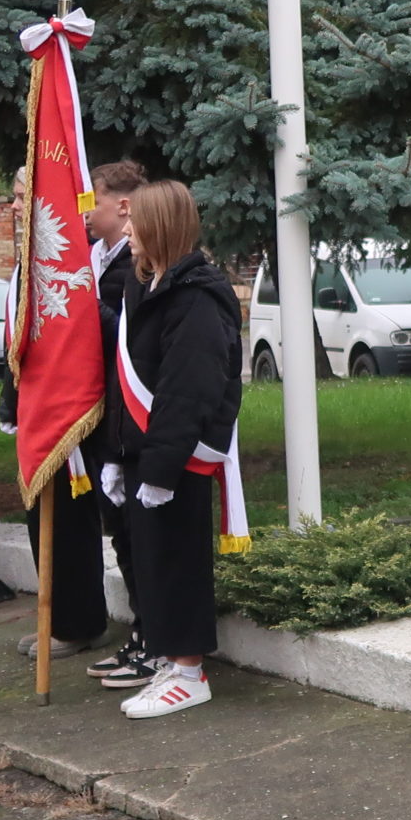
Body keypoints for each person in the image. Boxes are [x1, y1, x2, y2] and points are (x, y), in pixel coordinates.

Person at [101, 180, 243, 719]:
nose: (127, 229)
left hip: (178, 457)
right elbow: (130, 380)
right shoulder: (148, 286)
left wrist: (161, 470)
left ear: (160, 226)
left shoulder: (196, 296)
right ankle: (170, 661)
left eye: (135, 220)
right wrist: (117, 454)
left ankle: (189, 673)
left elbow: (189, 390)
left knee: (178, 561)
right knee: (152, 561)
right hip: (146, 451)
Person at [1, 161, 147, 661]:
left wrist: (76, 292)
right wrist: (12, 401)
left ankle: (142, 635)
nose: (14, 206)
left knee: (120, 529)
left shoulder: (118, 260)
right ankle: (68, 618)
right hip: (60, 405)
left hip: (106, 411)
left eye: (22, 196)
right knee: (56, 516)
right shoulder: (77, 255)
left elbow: (123, 336)